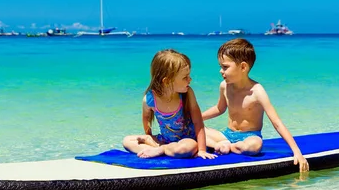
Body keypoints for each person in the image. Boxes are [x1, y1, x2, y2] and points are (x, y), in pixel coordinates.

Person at [202, 38, 309, 172]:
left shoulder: (257, 91)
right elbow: (219, 108)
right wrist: (198, 118)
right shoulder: (224, 86)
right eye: (220, 67)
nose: (220, 71)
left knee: (254, 146)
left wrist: (297, 152)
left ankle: (225, 146)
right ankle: (222, 144)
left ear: (243, 67)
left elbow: (277, 123)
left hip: (249, 137)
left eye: (225, 67)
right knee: (195, 129)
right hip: (227, 134)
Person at [123, 49, 216, 160]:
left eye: (189, 75)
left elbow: (198, 122)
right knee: (127, 141)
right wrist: (149, 136)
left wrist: (201, 150)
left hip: (187, 140)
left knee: (186, 148)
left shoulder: (187, 94)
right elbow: (146, 118)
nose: (190, 80)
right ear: (167, 81)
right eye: (185, 77)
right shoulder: (150, 99)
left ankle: (163, 150)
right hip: (165, 140)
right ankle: (165, 148)